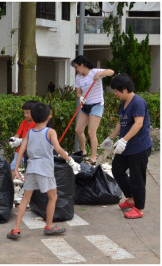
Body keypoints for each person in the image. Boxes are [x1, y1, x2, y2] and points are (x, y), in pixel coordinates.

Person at [7, 103, 81, 239]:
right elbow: (58, 149)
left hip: (31, 168)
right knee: (53, 197)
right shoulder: (50, 132)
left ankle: (16, 228)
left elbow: (21, 150)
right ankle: (49, 225)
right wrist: (70, 161)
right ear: (49, 116)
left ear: (33, 117)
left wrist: (16, 169)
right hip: (45, 169)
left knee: (25, 199)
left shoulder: (29, 132)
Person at [101, 74, 152, 219]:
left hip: (139, 146)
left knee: (137, 177)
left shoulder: (138, 102)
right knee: (117, 169)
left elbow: (138, 124)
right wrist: (111, 138)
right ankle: (131, 197)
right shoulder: (123, 104)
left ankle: (139, 208)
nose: (115, 94)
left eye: (116, 91)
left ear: (124, 89)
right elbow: (121, 122)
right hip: (126, 147)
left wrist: (123, 140)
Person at [71, 55, 114, 165]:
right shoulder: (78, 77)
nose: (76, 70)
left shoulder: (95, 72)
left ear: (82, 65)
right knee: (78, 129)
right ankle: (83, 150)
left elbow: (111, 72)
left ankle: (93, 157)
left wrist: (99, 74)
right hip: (85, 105)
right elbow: (78, 92)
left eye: (76, 67)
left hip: (97, 105)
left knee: (91, 132)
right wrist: (80, 97)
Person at [9, 100, 37, 180]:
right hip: (20, 151)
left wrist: (21, 141)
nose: (25, 115)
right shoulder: (24, 122)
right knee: (13, 167)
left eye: (28, 113)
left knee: (30, 171)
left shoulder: (37, 124)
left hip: (32, 152)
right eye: (24, 113)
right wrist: (13, 139)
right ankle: (9, 186)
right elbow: (18, 134)